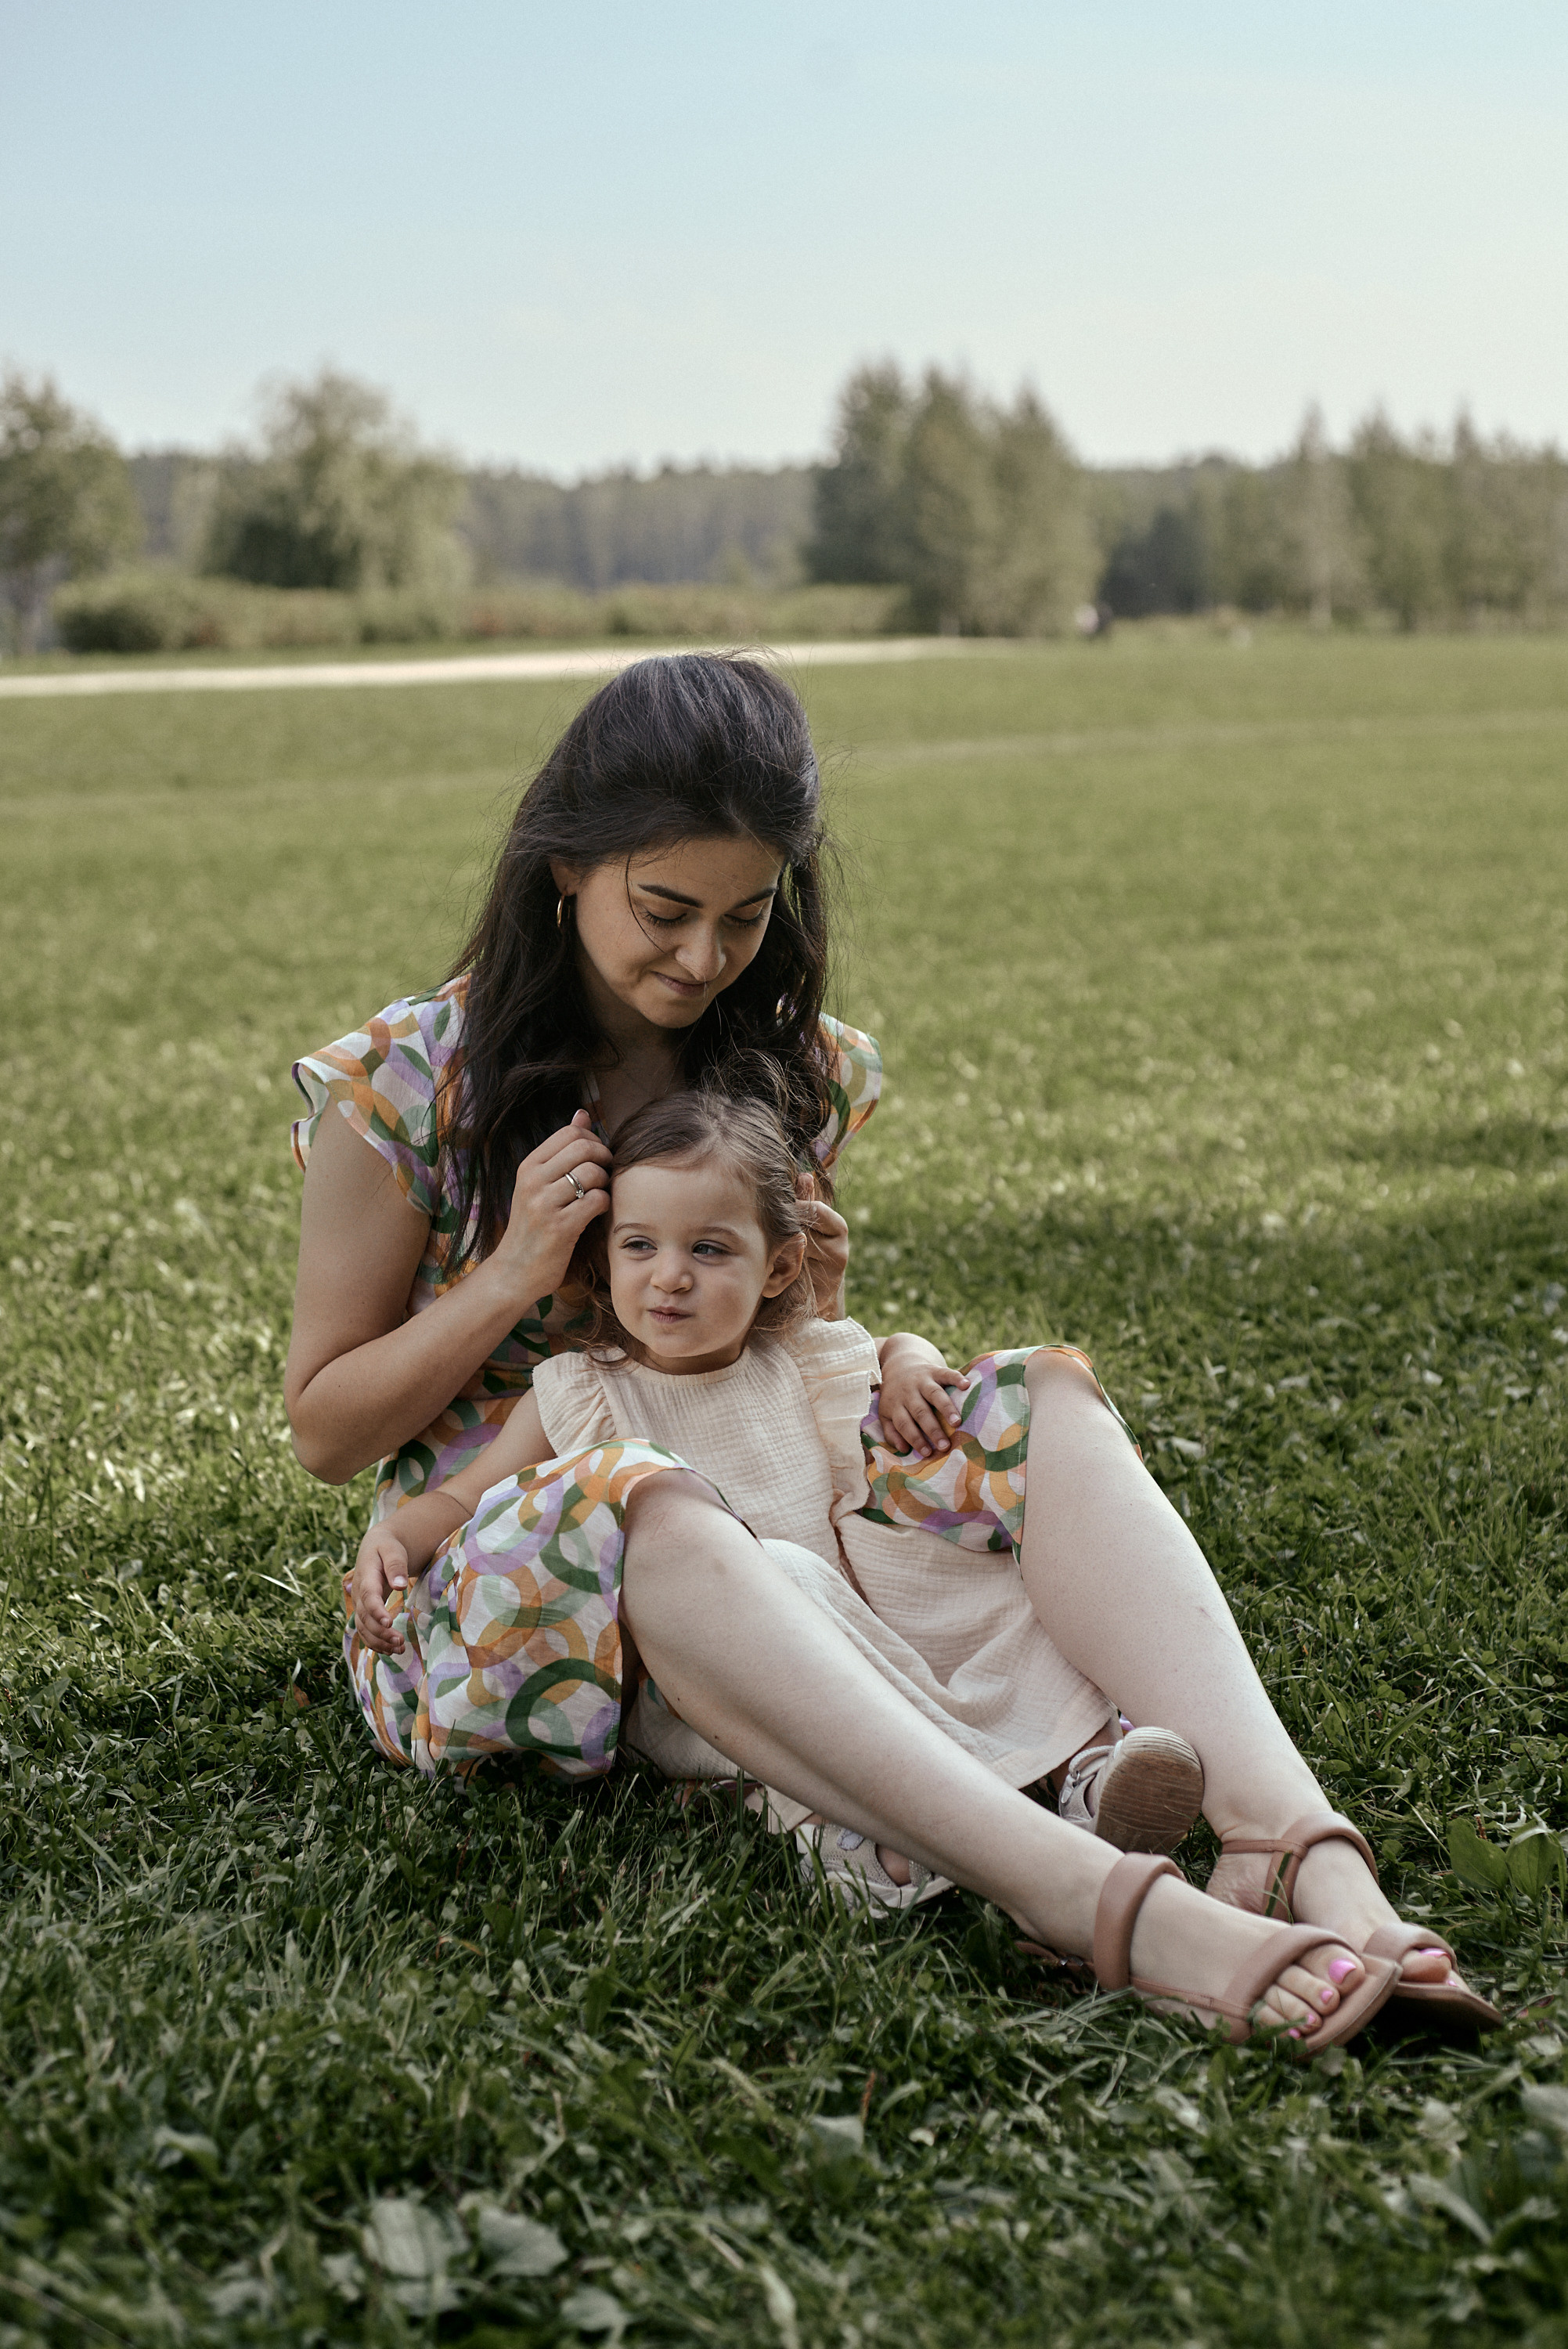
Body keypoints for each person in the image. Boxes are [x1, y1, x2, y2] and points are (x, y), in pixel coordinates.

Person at [287, 651, 1498, 2045]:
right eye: (662, 912)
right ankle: (1093, 1900)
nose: (700, 961)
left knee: (1038, 1397)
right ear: (565, 864)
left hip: (778, 1525)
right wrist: (506, 1278)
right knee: (645, 1497)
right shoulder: (402, 1085)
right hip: (498, 1581)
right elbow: (327, 1431)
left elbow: (777, 1357)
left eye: (744, 918)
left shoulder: (785, 1063)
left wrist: (836, 1309)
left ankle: (1295, 1845)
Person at [347, 1080, 1209, 1910]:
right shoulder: (578, 1391)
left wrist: (910, 1363)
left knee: (999, 1595)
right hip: (714, 1674)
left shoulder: (795, 1354)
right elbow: (461, 1503)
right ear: (603, 1260)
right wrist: (394, 1542)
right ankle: (860, 1835)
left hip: (859, 1612)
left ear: (778, 1265)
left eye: (708, 1249)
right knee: (785, 1574)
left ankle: (1092, 1771)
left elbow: (882, 1353)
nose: (670, 1277)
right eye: (638, 1246)